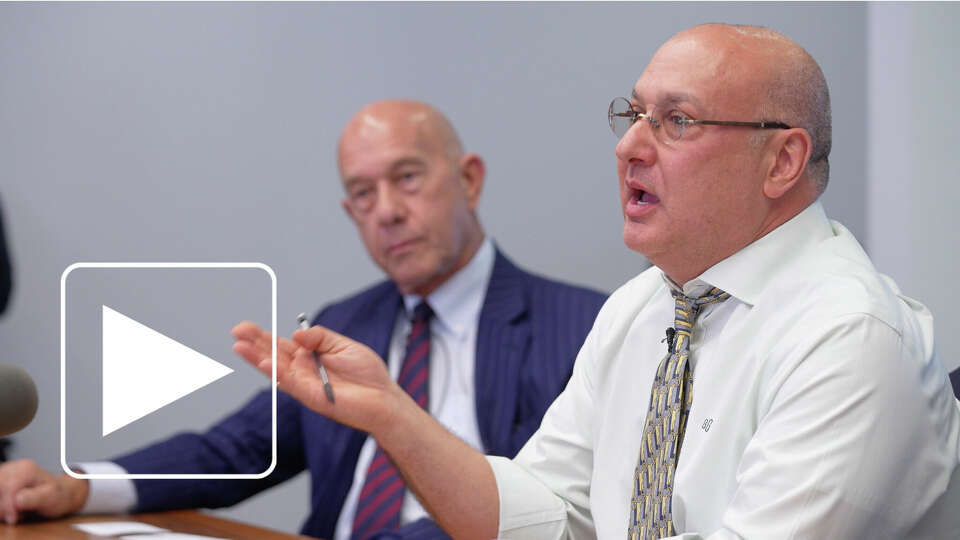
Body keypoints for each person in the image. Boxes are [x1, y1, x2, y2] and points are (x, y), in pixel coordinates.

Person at [238, 24, 960, 539]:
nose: (628, 146)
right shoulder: (641, 308)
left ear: (781, 162)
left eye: (676, 120)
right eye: (634, 113)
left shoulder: (850, 339)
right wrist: (392, 415)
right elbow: (544, 512)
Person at [0, 100, 606, 539]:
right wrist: (78, 488)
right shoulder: (350, 323)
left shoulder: (581, 328)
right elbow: (233, 452)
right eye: (363, 195)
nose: (387, 212)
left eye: (408, 178)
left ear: (469, 180)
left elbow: (538, 510)